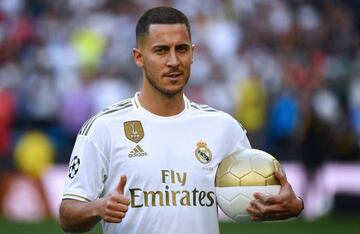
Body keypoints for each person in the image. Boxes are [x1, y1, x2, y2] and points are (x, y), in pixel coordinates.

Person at [59, 6, 303, 234]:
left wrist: (294, 206)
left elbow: (254, 198)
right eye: (161, 50)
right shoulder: (104, 128)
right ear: (139, 57)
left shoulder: (223, 127)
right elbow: (67, 215)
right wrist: (99, 208)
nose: (174, 61)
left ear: (193, 53)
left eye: (182, 49)